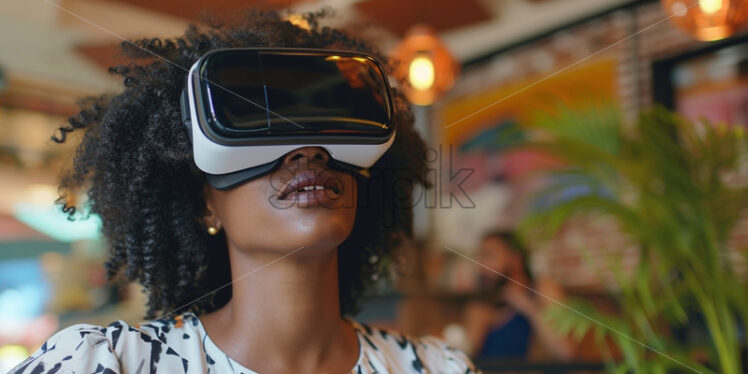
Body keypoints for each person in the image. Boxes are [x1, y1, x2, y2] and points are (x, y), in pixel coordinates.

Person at [10, 9, 481, 374]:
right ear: (204, 202)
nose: (307, 152)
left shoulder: (439, 368)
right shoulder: (108, 363)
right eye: (261, 129)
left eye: (325, 131)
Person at [464, 230, 575, 362]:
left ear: (515, 258)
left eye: (489, 256)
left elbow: (567, 352)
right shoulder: (481, 306)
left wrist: (527, 307)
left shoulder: (542, 289)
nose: (481, 266)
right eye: (480, 258)